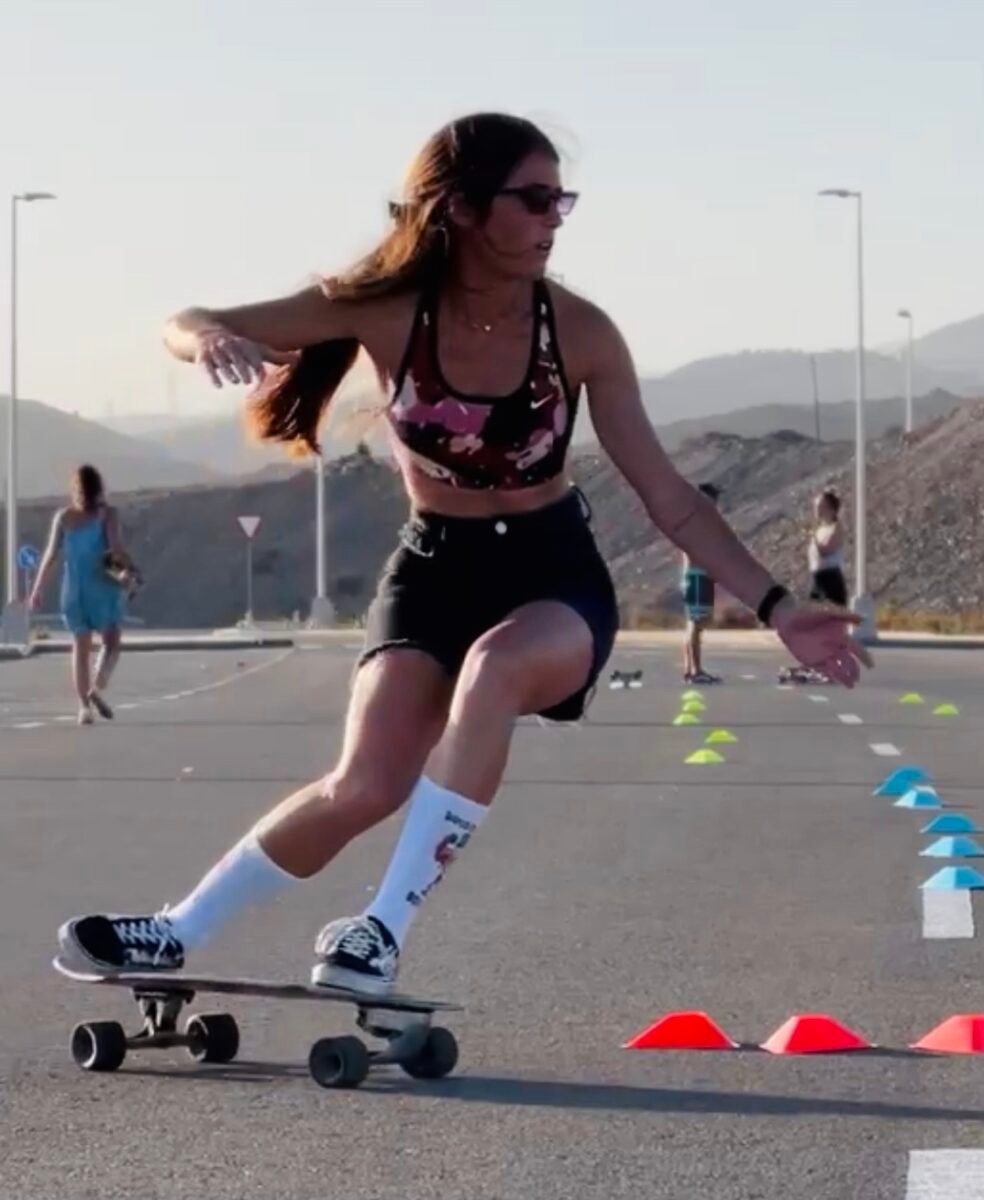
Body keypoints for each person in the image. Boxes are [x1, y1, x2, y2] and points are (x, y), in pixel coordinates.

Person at [57, 112, 870, 993]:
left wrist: (782, 608)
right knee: (362, 784)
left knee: (492, 668)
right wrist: (209, 338)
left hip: (549, 575)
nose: (554, 217)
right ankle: (178, 930)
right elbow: (187, 319)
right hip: (433, 569)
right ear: (462, 209)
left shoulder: (582, 332)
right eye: (534, 198)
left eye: (562, 198)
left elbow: (669, 497)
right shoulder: (383, 310)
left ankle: (381, 929)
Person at [29, 465, 129, 725]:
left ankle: (84, 708)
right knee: (112, 640)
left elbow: (51, 555)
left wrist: (37, 589)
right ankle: (97, 685)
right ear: (99, 488)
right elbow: (114, 551)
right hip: (102, 587)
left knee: (80, 647)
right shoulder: (108, 515)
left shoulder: (63, 517)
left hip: (73, 589)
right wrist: (127, 574)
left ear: (75, 490)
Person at [681, 482, 722, 684]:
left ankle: (690, 668)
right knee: (696, 625)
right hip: (698, 576)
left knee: (694, 624)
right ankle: (696, 670)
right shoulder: (697, 523)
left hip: (698, 576)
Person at [808, 489, 848, 607]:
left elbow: (825, 551)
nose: (817, 510)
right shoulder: (820, 529)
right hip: (818, 578)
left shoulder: (836, 528)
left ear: (831, 509)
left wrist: (813, 538)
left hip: (831, 579)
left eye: (820, 506)